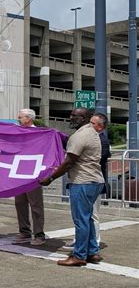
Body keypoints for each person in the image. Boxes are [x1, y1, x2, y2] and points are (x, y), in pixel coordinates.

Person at [40, 108, 104, 266]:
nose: (71, 117)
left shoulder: (80, 135)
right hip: (94, 181)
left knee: (81, 220)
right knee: (88, 219)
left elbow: (69, 162)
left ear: (84, 118)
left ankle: (79, 255)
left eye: (75, 116)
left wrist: (50, 178)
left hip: (82, 182)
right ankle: (92, 252)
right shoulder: (91, 132)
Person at [63, 112, 111, 251]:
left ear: (100, 127)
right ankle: (88, 247)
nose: (90, 125)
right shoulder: (88, 136)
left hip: (88, 182)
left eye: (93, 123)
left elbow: (84, 160)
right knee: (85, 217)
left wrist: (51, 177)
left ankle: (87, 247)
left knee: (88, 217)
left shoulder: (100, 140)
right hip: (86, 181)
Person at [14, 109, 45, 246]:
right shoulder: (17, 132)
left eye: (20, 117)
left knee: (36, 205)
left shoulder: (40, 134)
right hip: (19, 172)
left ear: (29, 118)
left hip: (34, 173)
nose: (18, 119)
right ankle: (24, 230)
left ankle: (39, 234)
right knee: (20, 203)